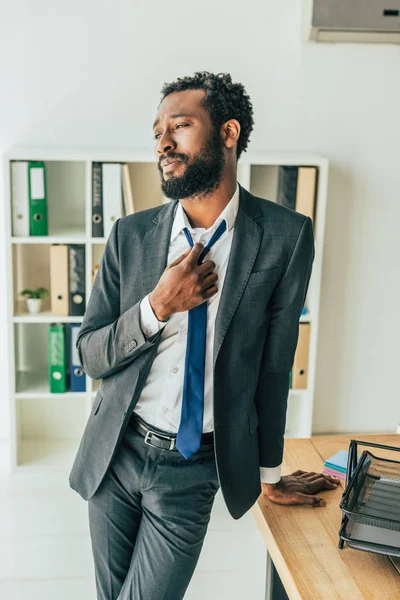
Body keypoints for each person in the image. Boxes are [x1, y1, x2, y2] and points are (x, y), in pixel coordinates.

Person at [69, 71, 340, 600]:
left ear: (229, 133)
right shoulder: (130, 235)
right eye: (157, 132)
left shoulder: (285, 237)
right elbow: (89, 354)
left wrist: (268, 471)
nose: (163, 143)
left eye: (181, 126)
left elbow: (274, 367)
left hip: (192, 471)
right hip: (115, 453)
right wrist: (158, 305)